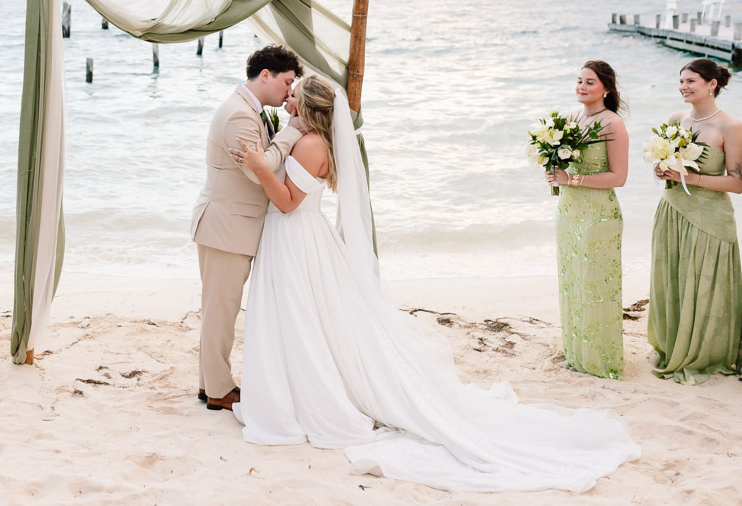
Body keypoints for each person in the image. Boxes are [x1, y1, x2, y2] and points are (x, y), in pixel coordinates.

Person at [229, 75, 639, 492]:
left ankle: (300, 401)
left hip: (296, 238)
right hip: (295, 239)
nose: (288, 95)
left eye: (294, 93)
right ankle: (286, 392)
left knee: (301, 321)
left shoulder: (312, 144)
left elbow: (286, 201)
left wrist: (261, 167)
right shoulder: (304, 136)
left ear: (308, 105)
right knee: (300, 321)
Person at [190, 44, 303, 412]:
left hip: (230, 225)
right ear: (265, 75)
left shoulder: (249, 110)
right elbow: (258, 172)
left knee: (218, 309)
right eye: (287, 82)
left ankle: (211, 385)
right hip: (226, 226)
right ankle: (220, 390)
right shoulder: (239, 115)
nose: (289, 91)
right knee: (221, 311)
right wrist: (292, 131)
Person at [649, 59, 742, 384]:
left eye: (690, 81)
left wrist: (692, 177)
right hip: (672, 211)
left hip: (710, 218)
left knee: (704, 285)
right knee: (673, 279)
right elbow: (666, 163)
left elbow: (738, 183)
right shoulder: (676, 119)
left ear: (711, 84)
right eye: (681, 81)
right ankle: (674, 344)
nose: (683, 87)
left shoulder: (730, 126)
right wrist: (661, 170)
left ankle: (707, 352)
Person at [543, 61, 629, 379]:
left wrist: (571, 179)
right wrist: (553, 171)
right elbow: (560, 161)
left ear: (606, 88)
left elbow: (618, 178)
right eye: (579, 80)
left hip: (598, 214)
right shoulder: (571, 118)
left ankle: (600, 359)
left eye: (589, 82)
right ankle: (577, 353)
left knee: (596, 285)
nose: (581, 86)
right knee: (573, 281)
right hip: (568, 211)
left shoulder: (612, 123)